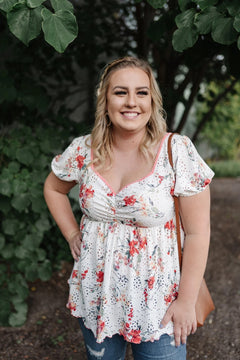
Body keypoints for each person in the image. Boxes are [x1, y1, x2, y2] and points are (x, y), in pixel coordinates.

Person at [44, 56, 214, 360]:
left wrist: (186, 301)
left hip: (159, 304)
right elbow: (54, 188)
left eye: (142, 92)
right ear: (105, 100)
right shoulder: (83, 150)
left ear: (152, 100)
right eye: (120, 92)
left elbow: (198, 233)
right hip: (98, 298)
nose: (131, 102)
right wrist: (71, 233)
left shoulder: (177, 152)